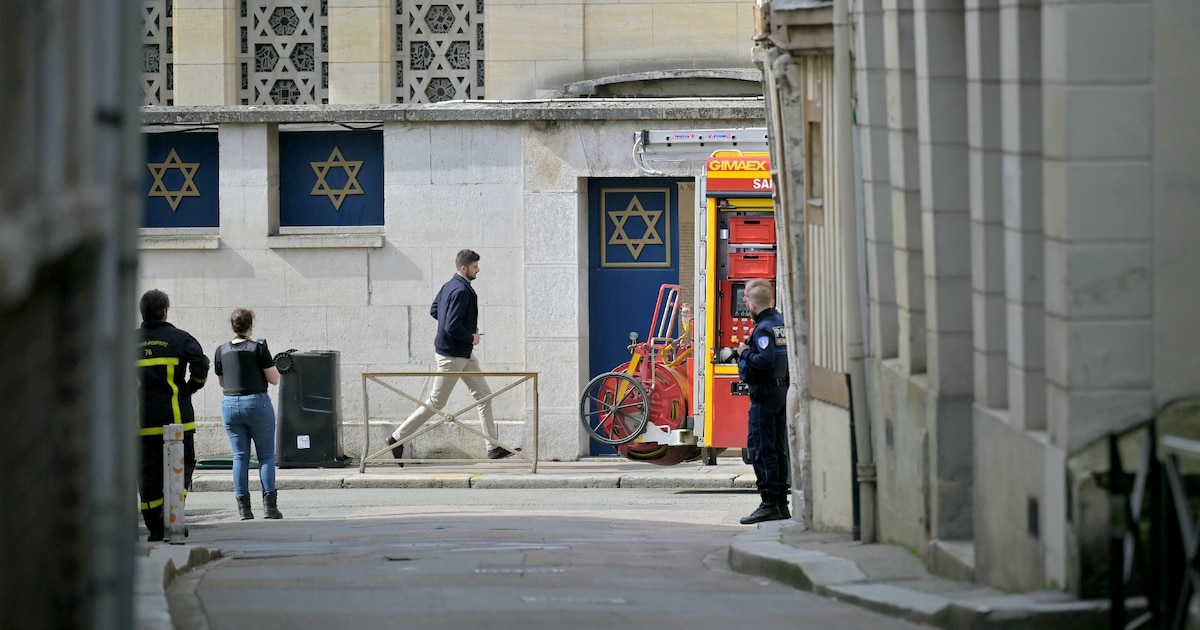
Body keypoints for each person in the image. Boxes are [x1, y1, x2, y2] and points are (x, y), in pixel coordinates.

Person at [386, 249, 515, 463]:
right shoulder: (462, 291)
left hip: (461, 354)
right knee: (436, 402)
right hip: (453, 355)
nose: (478, 270)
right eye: (475, 267)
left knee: (484, 396)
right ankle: (397, 438)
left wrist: (458, 333)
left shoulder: (449, 286)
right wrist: (470, 337)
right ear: (464, 268)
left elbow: (435, 310)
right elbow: (451, 326)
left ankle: (493, 447)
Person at [137, 289, 209, 542]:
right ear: (165, 311)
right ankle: (173, 516)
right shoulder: (180, 338)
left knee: (148, 474)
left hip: (142, 422)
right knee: (181, 466)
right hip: (176, 419)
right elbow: (201, 364)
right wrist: (191, 386)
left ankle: (155, 528)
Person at [214, 308, 282, 520]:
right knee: (266, 456)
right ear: (250, 326)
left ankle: (244, 508)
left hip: (230, 405)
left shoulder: (221, 350)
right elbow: (274, 379)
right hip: (257, 403)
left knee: (240, 456)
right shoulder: (258, 348)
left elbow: (222, 382)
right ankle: (270, 507)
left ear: (232, 327)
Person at [736, 280, 791, 524]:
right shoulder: (780, 323)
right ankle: (779, 504)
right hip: (780, 393)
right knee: (776, 449)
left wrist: (743, 353)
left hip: (764, 394)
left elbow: (764, 361)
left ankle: (770, 503)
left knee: (761, 449)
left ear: (751, 302)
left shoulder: (764, 329)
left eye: (746, 300)